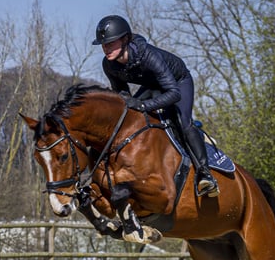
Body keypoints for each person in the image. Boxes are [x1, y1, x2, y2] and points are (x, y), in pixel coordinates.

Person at [92, 14, 219, 197]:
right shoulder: (109, 65)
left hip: (178, 82)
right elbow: (123, 94)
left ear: (126, 39)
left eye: (111, 43)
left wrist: (143, 106)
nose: (106, 48)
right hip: (152, 86)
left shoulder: (148, 56)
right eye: (104, 44)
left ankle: (205, 174)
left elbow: (173, 93)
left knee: (184, 123)